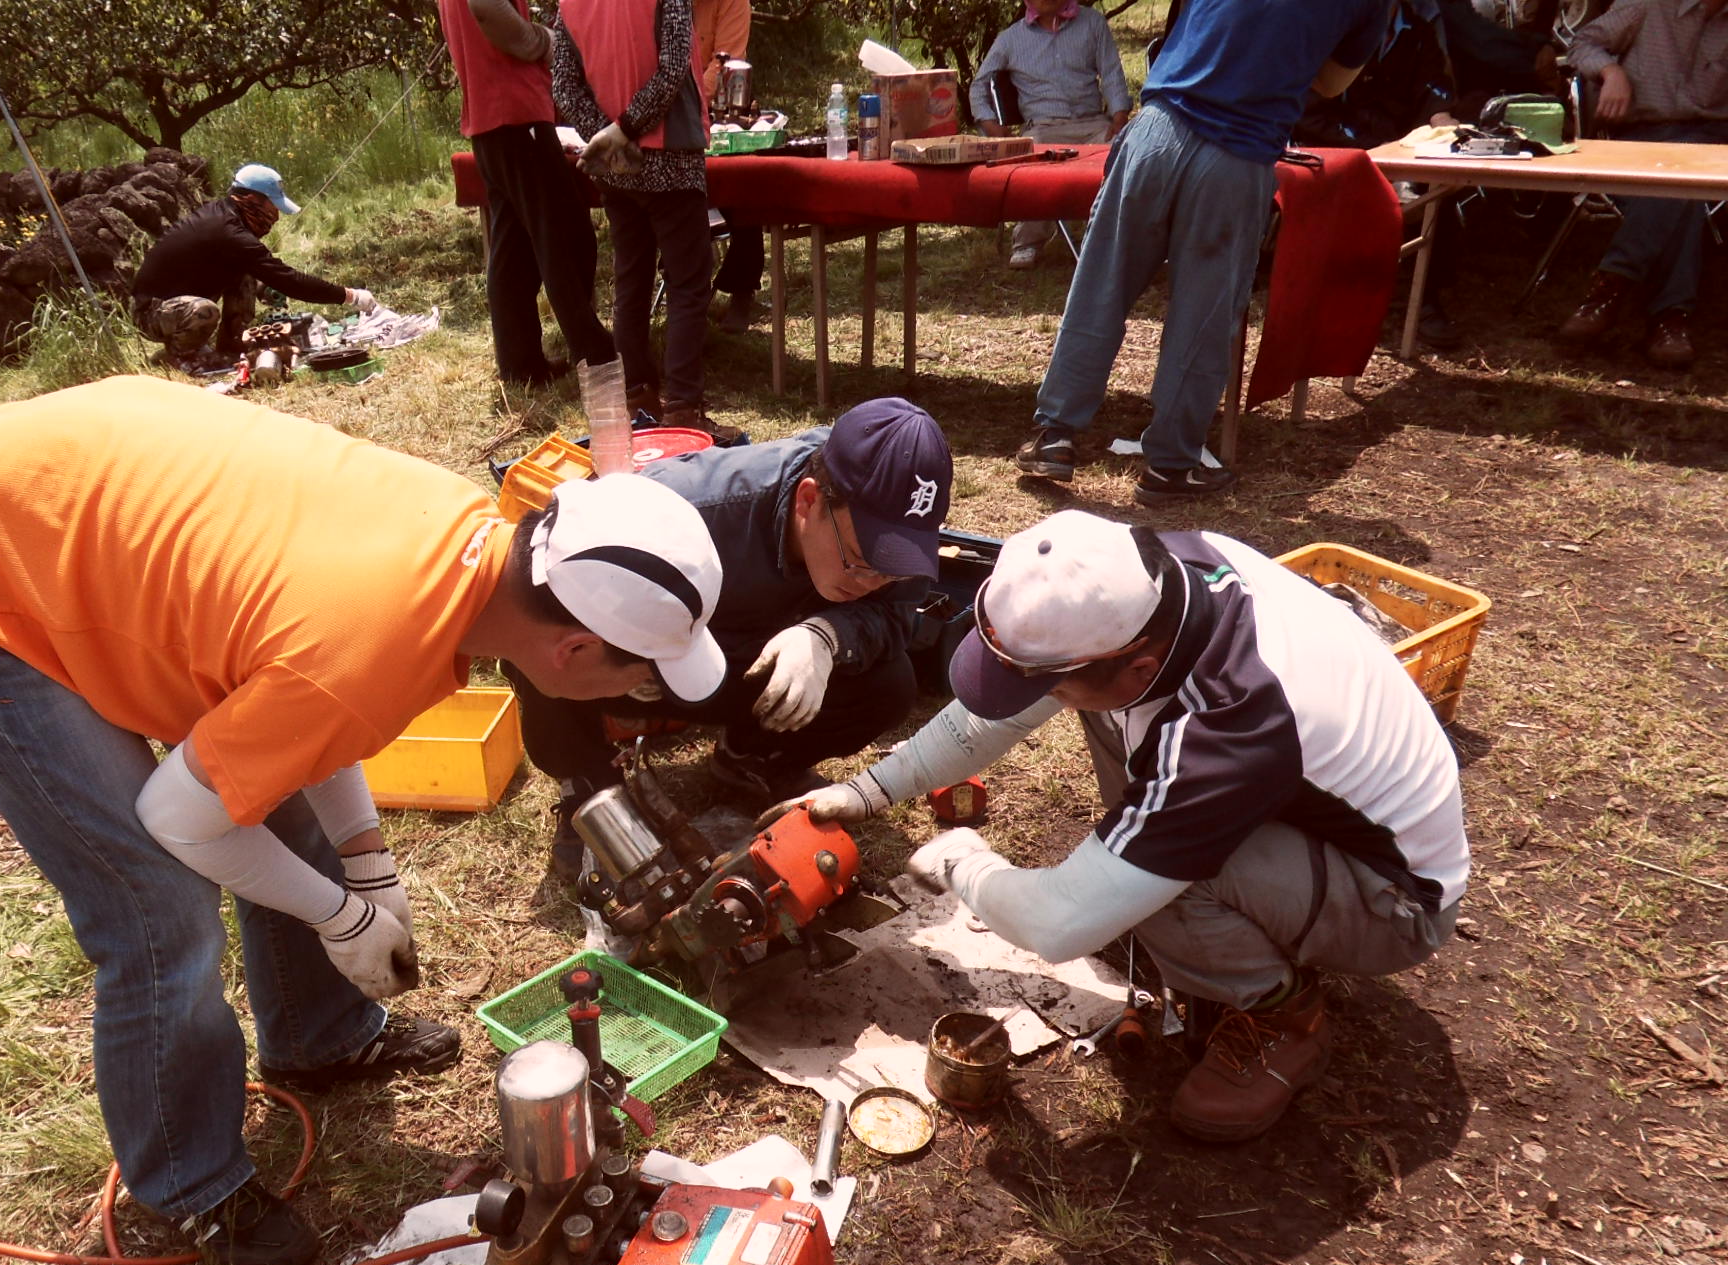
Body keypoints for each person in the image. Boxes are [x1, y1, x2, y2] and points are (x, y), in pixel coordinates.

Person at [0, 375, 726, 1265]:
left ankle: (319, 1037)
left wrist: (367, 866)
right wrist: (342, 915)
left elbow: (308, 723)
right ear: (573, 648)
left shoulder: (469, 546)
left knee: (264, 795)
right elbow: (185, 813)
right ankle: (187, 1184)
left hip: (63, 501)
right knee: (155, 902)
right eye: (639, 677)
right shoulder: (368, 640)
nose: (636, 696)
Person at [781, 509, 1467, 1144]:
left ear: (1138, 666)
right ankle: (1167, 884)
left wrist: (966, 863)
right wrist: (872, 789)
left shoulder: (1228, 725)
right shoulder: (1151, 580)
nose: (1038, 694)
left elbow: (1058, 927)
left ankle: (1287, 1020)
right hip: (1309, 813)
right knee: (1097, 719)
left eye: (1047, 681)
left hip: (1397, 901)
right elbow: (1012, 701)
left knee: (1164, 888)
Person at [511, 398, 954, 876]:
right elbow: (537, 596)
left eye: (892, 569)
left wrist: (827, 636)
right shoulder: (691, 507)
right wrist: (629, 651)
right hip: (651, 664)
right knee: (546, 649)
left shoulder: (893, 531)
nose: (872, 582)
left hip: (744, 661)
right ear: (809, 500)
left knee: (889, 685)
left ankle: (750, 757)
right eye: (860, 564)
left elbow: (894, 614)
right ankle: (590, 784)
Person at [1015, 0, 1393, 506]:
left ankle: (1054, 435)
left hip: (1157, 129)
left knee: (1101, 288)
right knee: (1203, 315)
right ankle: (1171, 464)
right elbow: (1330, 83)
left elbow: (1184, 31)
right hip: (1237, 154)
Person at [552, 0, 729, 437]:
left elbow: (562, 83)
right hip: (671, 155)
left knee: (631, 281)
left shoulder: (570, 5)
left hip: (619, 166)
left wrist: (606, 135)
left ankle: (637, 397)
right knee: (688, 284)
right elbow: (671, 71)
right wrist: (623, 130)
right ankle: (683, 407)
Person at [439, 0, 622, 386]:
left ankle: (520, 363)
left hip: (491, 119)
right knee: (567, 238)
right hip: (517, 113)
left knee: (513, 249)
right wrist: (547, 41)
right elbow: (489, 10)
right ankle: (596, 355)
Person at [1556, 0, 1728, 371]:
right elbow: (1582, 42)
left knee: (1688, 167)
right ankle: (1670, 319)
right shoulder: (1651, 3)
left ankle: (1611, 286)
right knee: (1684, 188)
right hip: (1643, 135)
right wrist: (1611, 70)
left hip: (1712, 139)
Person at [129, 164, 372, 367]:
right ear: (252, 199)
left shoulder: (224, 215)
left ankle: (230, 344)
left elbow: (261, 274)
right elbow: (287, 279)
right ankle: (181, 358)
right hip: (151, 313)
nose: (276, 217)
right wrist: (348, 295)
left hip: (174, 303)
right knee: (205, 310)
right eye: (273, 207)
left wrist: (265, 287)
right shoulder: (228, 232)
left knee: (245, 275)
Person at [969, 0, 1133, 269]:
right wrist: (993, 129)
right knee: (1036, 167)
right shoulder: (1011, 39)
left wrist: (1119, 118)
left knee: (1124, 154)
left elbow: (1112, 73)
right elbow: (978, 87)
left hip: (1092, 123)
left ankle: (1118, 239)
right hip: (1043, 127)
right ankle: (1027, 242)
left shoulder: (1092, 23)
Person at [695, 0, 767, 332]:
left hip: (719, 110)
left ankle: (742, 292)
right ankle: (690, 289)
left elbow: (725, 64)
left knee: (743, 186)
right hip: (665, 110)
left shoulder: (733, 2)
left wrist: (683, 99)